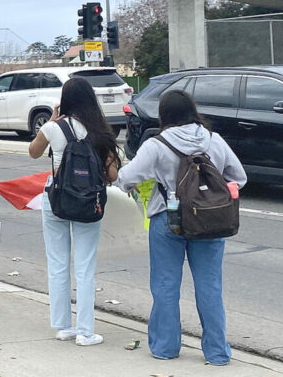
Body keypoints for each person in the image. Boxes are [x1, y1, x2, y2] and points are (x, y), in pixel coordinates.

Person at [116, 90, 243, 365]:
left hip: (168, 219)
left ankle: (165, 347)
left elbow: (126, 178)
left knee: (166, 285)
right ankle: (217, 353)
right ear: (192, 111)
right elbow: (239, 177)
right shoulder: (214, 141)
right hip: (210, 221)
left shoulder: (156, 144)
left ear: (164, 115)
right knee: (210, 286)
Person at [26, 77, 122, 347]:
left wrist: (51, 121)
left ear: (65, 100)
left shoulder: (53, 128)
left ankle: (63, 327)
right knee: (85, 267)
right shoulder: (100, 131)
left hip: (56, 198)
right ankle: (86, 331)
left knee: (57, 263)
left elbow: (33, 152)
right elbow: (112, 175)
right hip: (89, 201)